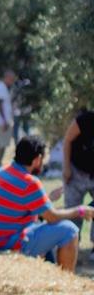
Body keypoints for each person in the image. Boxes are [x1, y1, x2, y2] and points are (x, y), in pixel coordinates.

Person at [0, 135, 94, 273]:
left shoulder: (0, 172)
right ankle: (65, 281)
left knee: (45, 229)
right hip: (7, 242)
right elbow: (52, 217)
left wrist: (48, 199)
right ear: (37, 159)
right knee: (69, 230)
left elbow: (18, 206)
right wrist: (79, 211)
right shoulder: (29, 182)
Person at [62, 107, 94, 259]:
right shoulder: (85, 119)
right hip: (75, 171)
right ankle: (71, 247)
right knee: (73, 211)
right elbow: (67, 140)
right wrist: (66, 166)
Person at [0, 70, 16, 167]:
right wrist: (5, 120)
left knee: (1, 144)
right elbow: (0, 104)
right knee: (2, 145)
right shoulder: (1, 87)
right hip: (1, 121)